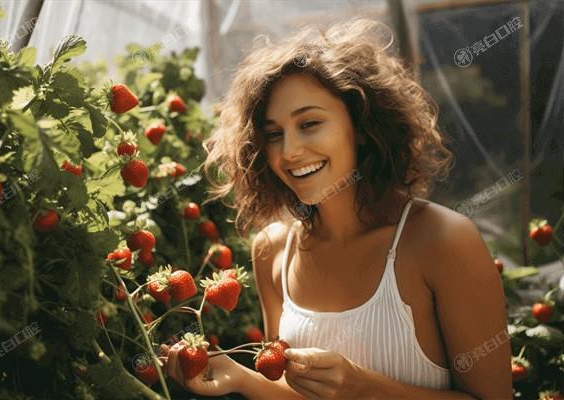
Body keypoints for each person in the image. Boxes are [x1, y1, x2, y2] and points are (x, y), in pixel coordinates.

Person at [160, 16, 512, 399]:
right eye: (274, 134)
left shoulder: (441, 240)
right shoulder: (273, 250)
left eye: (309, 123)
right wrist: (243, 379)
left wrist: (364, 389)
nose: (289, 151)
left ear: (360, 126)